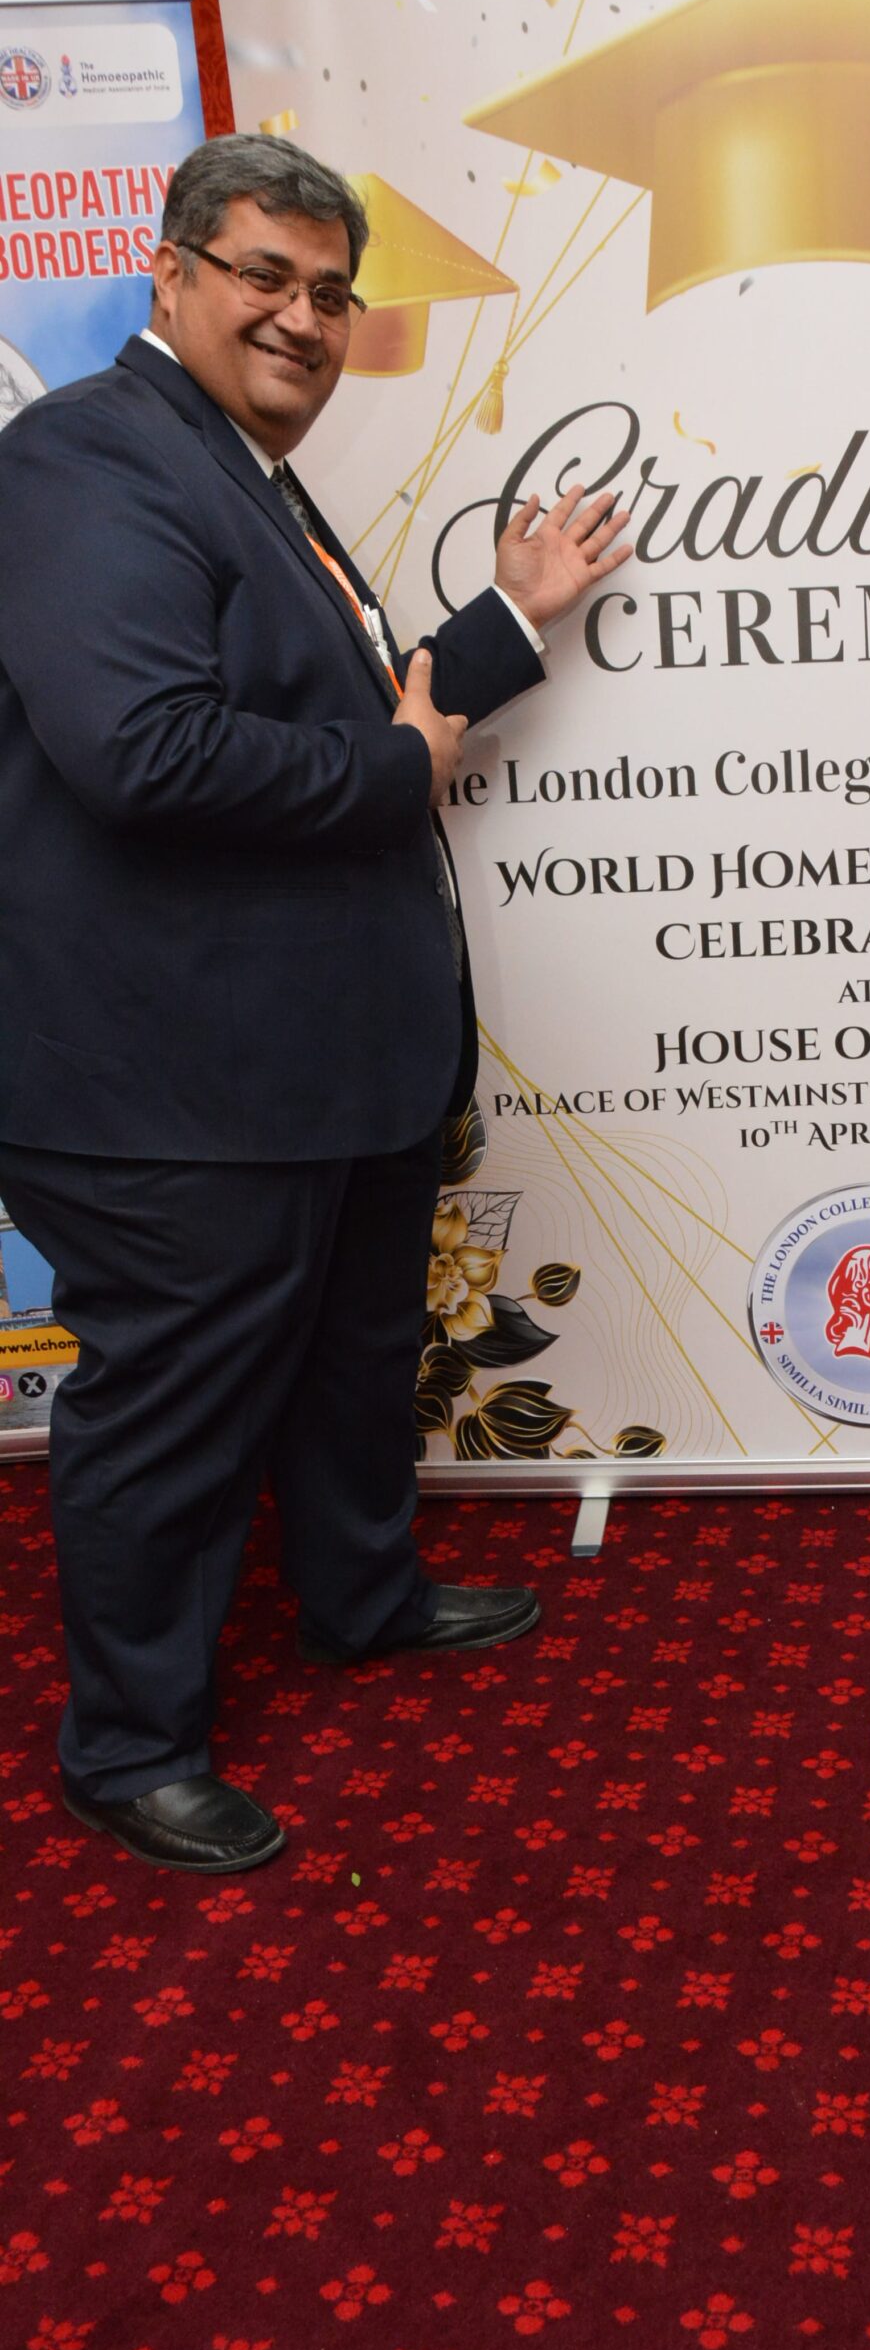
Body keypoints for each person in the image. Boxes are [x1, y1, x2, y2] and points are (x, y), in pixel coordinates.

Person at [0, 135, 630, 1872]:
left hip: (314, 1063)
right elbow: (145, 751)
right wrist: (401, 766)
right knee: (175, 1407)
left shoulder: (240, 469)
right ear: (171, 274)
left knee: (354, 1352)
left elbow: (345, 698)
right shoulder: (84, 459)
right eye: (265, 276)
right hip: (170, 1083)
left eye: (332, 294)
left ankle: (361, 1595)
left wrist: (509, 621)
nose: (301, 317)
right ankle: (131, 1748)